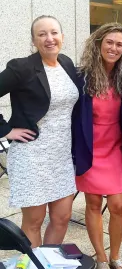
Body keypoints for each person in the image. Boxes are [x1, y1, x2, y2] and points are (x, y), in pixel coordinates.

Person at [0, 15, 78, 247]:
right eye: (42, 34)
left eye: (54, 32)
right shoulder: (21, 67)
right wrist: (5, 130)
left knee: (62, 218)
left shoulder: (66, 63)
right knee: (34, 221)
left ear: (62, 36)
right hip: (32, 156)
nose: (49, 38)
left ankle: (49, 266)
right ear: (34, 40)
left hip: (61, 155)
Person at [73, 23, 122, 269]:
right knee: (94, 204)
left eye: (119, 44)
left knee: (118, 206)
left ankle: (115, 256)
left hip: (115, 148)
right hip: (90, 149)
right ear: (98, 44)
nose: (114, 48)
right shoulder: (82, 76)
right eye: (109, 42)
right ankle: (100, 258)